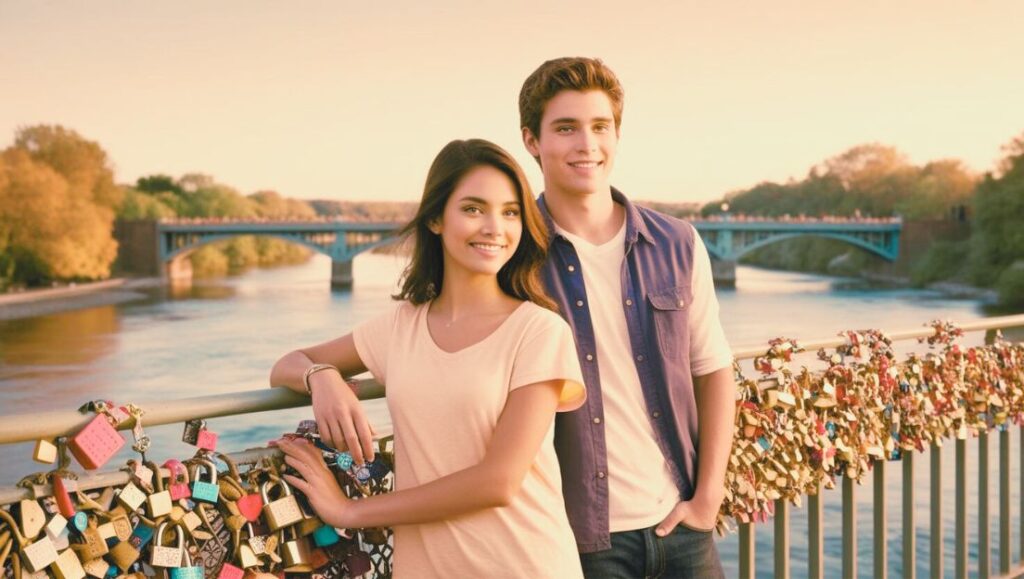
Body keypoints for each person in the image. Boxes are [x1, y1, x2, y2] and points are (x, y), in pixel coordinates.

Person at [269, 138, 587, 578]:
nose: (496, 227)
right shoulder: (401, 327)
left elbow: (499, 481)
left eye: (510, 212)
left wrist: (350, 511)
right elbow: (286, 365)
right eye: (474, 209)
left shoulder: (539, 331)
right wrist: (322, 378)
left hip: (524, 564)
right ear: (436, 218)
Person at [518, 57, 736, 578]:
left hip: (680, 525)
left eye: (600, 127)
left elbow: (714, 370)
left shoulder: (677, 242)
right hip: (576, 539)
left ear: (617, 135)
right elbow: (427, 340)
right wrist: (321, 375)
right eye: (565, 128)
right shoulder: (512, 253)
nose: (586, 144)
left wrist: (707, 498)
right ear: (532, 141)